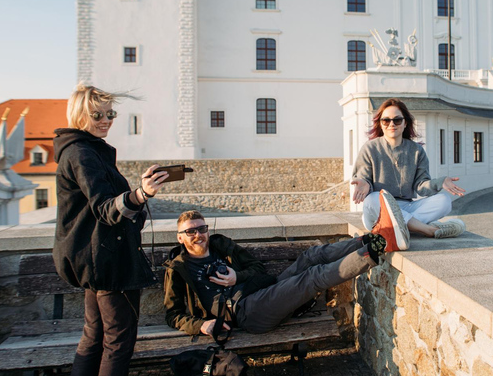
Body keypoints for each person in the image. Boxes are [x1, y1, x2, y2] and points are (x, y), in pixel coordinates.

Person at [53, 85, 170, 376]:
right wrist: (142, 194)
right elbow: (105, 209)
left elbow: (105, 204)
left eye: (110, 114)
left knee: (94, 335)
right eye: (98, 115)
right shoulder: (82, 153)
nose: (106, 120)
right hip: (106, 260)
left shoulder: (83, 149)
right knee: (118, 343)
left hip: (95, 256)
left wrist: (139, 187)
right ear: (79, 115)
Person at [164, 192, 407, 336]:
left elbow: (258, 270)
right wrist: (201, 325)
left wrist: (236, 277)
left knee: (311, 256)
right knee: (311, 277)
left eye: (201, 229)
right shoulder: (179, 268)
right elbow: (173, 315)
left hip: (261, 290)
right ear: (180, 237)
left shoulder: (221, 247)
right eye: (190, 232)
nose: (198, 235)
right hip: (247, 313)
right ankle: (378, 247)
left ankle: (373, 238)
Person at [350, 98, 467, 239]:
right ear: (380, 124)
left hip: (408, 207)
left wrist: (440, 182)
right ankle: (428, 229)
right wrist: (365, 184)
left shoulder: (416, 151)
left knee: (444, 201)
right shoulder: (370, 148)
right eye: (386, 120)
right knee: (373, 198)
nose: (391, 124)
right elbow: (363, 177)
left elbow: (421, 186)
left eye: (397, 120)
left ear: (405, 123)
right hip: (379, 210)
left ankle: (397, 228)